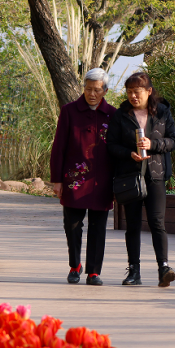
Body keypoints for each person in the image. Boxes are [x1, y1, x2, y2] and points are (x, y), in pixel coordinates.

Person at [106, 71, 175, 287]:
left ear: (148, 91)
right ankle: (134, 271)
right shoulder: (121, 115)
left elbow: (173, 140)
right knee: (133, 225)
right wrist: (129, 153)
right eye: (129, 92)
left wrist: (152, 145)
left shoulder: (162, 112)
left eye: (137, 92)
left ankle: (163, 268)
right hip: (130, 176)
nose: (133, 96)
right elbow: (111, 145)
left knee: (157, 222)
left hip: (156, 175)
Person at [50, 68, 116, 286]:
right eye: (88, 89)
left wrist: (117, 182)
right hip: (74, 180)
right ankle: (75, 266)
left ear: (105, 91)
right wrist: (57, 180)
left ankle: (94, 272)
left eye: (97, 90)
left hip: (102, 181)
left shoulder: (113, 114)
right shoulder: (69, 111)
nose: (92, 94)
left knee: (98, 228)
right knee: (72, 226)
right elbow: (59, 147)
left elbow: (117, 150)